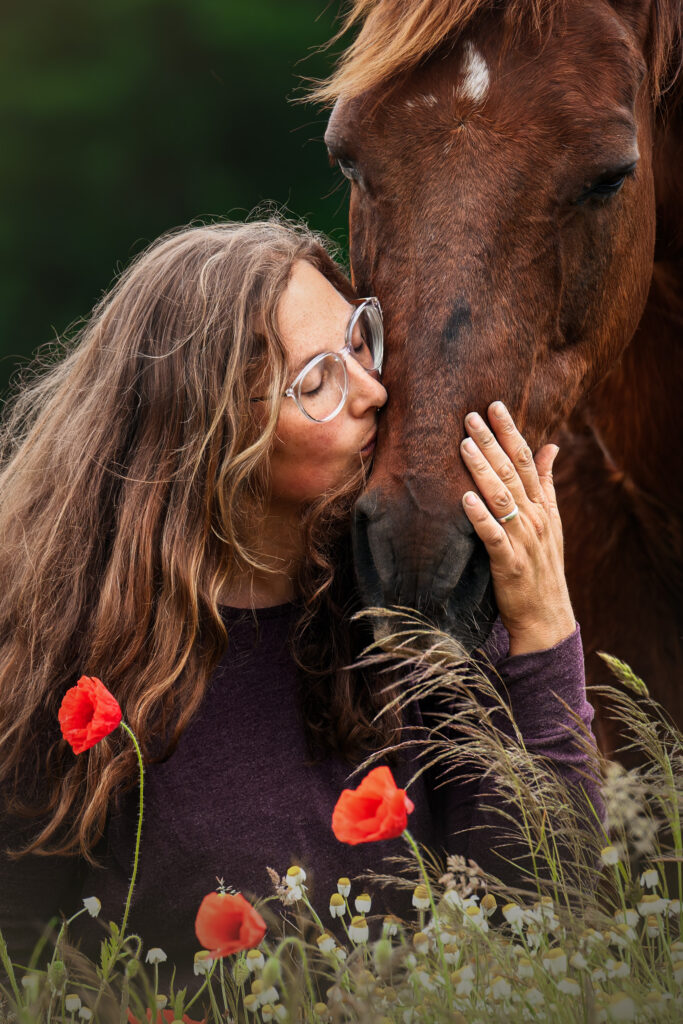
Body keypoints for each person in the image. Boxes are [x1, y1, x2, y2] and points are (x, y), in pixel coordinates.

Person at [0, 218, 600, 984]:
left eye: (360, 341)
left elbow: (549, 914)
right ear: (209, 432)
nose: (374, 391)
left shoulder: (415, 607)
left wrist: (543, 628)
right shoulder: (55, 655)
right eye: (318, 382)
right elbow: (17, 959)